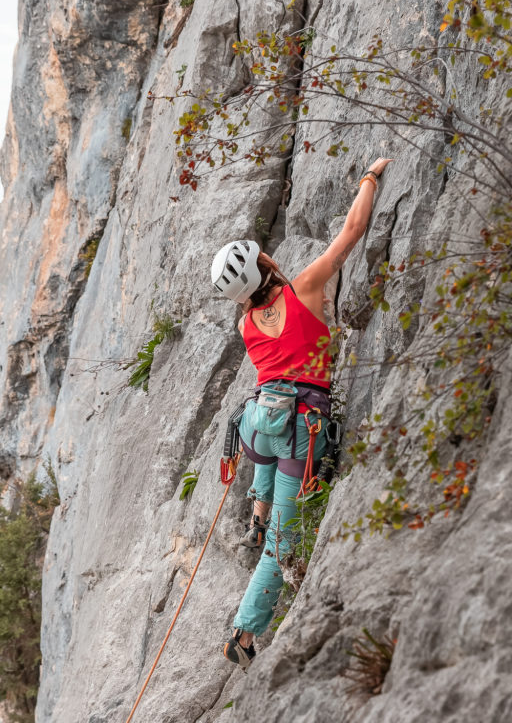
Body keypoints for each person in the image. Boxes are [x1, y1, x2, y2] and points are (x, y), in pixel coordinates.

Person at [210, 157, 392, 668]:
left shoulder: (248, 323)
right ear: (262, 266)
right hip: (296, 425)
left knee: (268, 452)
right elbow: (353, 231)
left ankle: (259, 510)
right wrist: (370, 177)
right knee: (282, 547)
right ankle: (244, 635)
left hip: (259, 422)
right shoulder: (305, 287)